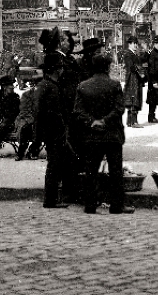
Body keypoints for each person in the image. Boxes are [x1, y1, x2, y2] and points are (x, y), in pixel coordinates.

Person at [73, 50, 133, 215]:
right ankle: (116, 206)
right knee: (115, 172)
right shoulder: (114, 85)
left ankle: (90, 205)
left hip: (92, 135)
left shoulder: (83, 86)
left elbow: (78, 111)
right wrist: (105, 121)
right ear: (108, 67)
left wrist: (92, 121)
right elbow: (119, 109)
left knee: (91, 171)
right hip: (112, 134)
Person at [36, 52, 72, 208]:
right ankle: (50, 200)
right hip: (54, 132)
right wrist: (63, 133)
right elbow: (54, 113)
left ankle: (54, 197)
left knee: (56, 164)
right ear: (56, 69)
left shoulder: (46, 84)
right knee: (54, 166)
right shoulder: (51, 87)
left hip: (49, 131)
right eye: (61, 67)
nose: (62, 70)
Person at [13, 77, 42, 160]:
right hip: (27, 119)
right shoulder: (27, 95)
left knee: (39, 129)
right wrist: (32, 119)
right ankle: (21, 152)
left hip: (42, 121)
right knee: (26, 129)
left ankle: (33, 151)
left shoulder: (46, 95)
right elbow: (24, 111)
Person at [122, 35, 145, 128]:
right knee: (133, 98)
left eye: (136, 43)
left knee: (133, 98)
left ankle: (130, 121)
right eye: (134, 43)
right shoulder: (128, 54)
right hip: (132, 78)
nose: (136, 45)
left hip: (135, 78)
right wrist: (140, 72)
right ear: (130, 44)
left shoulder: (134, 54)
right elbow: (131, 66)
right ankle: (134, 122)